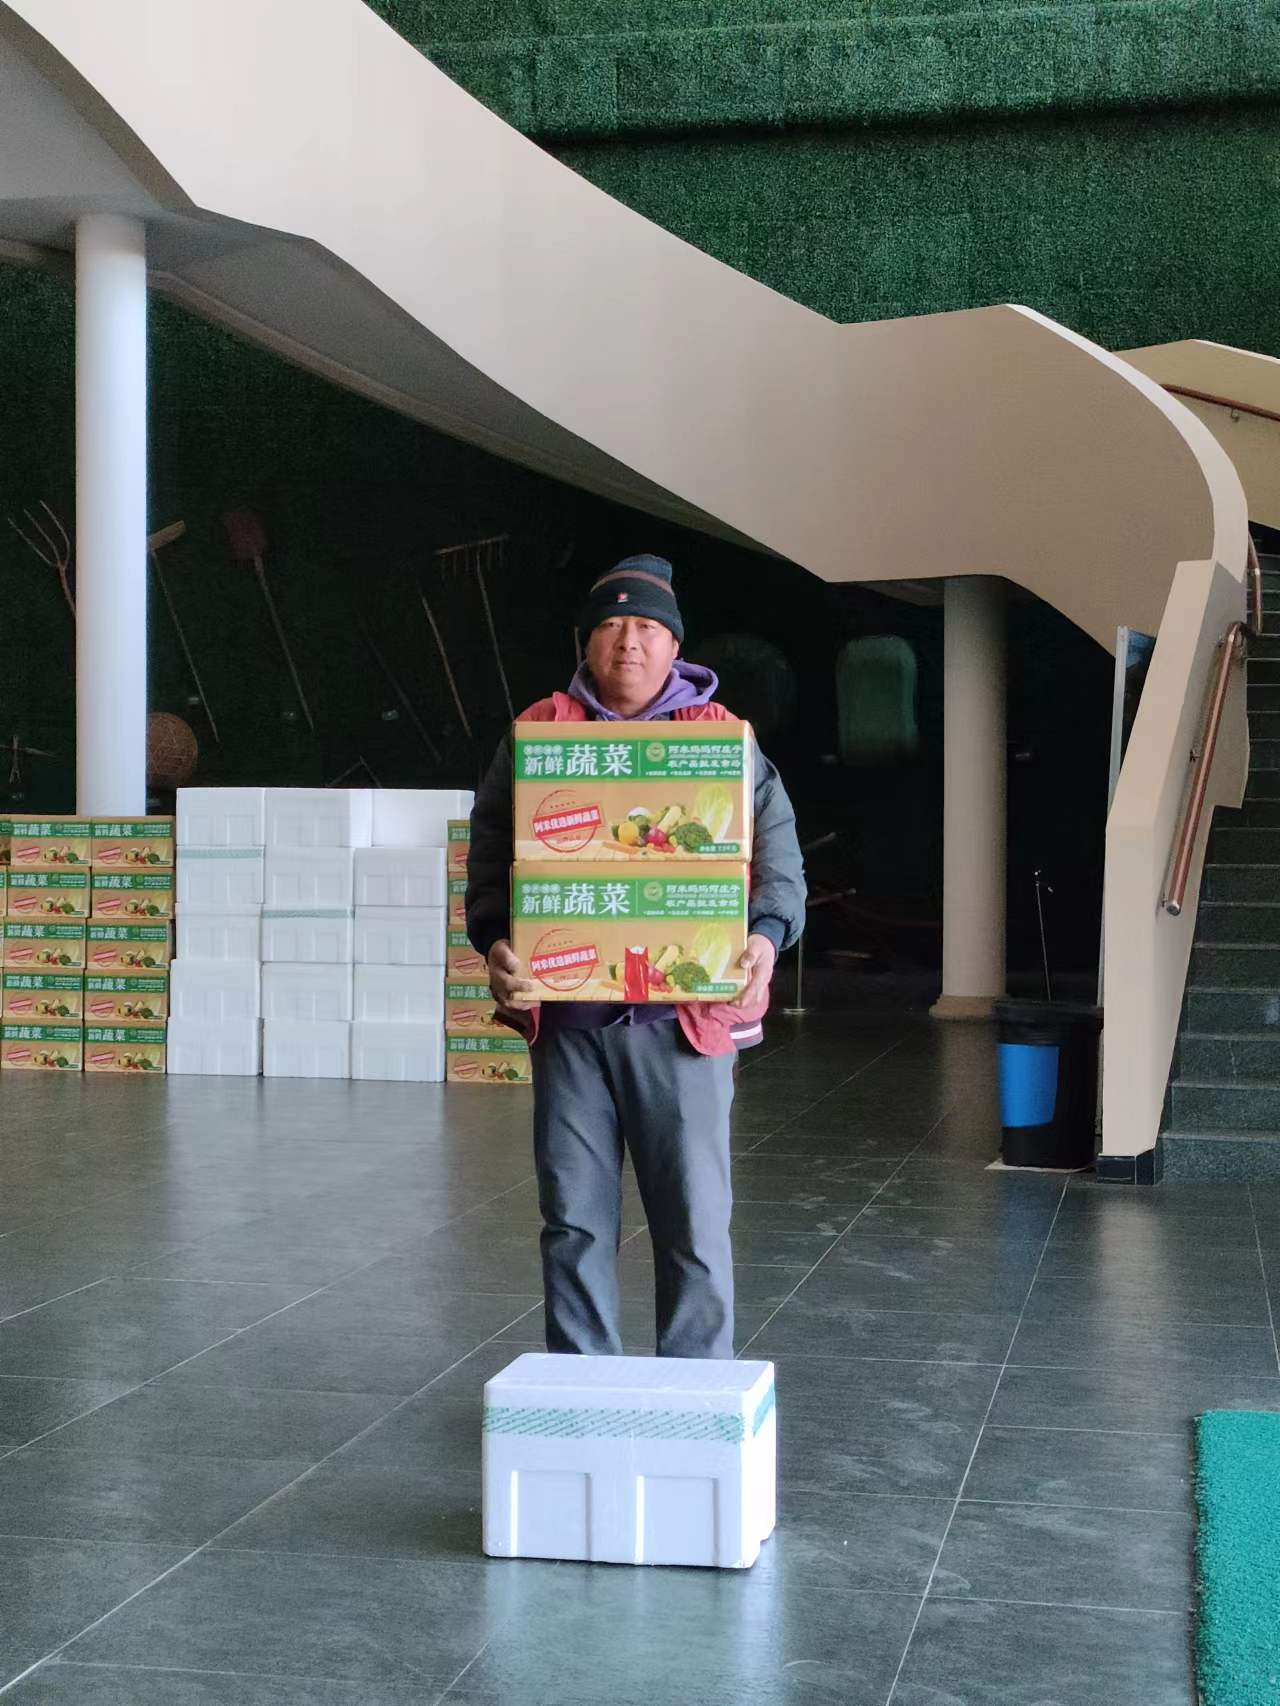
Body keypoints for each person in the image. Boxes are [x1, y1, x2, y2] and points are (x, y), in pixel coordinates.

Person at [466, 554, 806, 1359]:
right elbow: (489, 857)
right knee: (573, 1219)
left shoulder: (720, 740)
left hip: (680, 1022)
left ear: (675, 646)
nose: (628, 641)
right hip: (569, 1022)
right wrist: (496, 941)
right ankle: (581, 1386)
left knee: (694, 1220)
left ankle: (695, 1389)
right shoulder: (541, 734)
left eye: (648, 627)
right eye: (612, 625)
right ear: (585, 642)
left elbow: (779, 857)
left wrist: (764, 936)